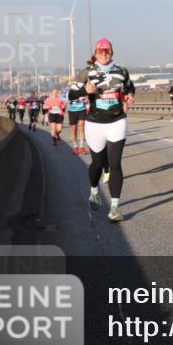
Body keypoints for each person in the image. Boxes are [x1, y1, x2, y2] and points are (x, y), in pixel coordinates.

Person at [70, 38, 135, 223]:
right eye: (101, 51)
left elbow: (131, 87)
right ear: (96, 53)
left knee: (115, 164)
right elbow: (70, 94)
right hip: (94, 123)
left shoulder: (121, 71)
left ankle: (115, 207)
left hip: (117, 121)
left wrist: (129, 97)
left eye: (107, 51)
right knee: (97, 164)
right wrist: (85, 91)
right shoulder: (87, 73)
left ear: (111, 52)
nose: (104, 54)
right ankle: (94, 190)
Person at [66, 77, 89, 154]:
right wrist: (73, 100)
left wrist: (86, 101)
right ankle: (75, 147)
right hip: (72, 111)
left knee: (81, 127)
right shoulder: (70, 91)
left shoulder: (83, 90)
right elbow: (65, 99)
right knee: (74, 129)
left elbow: (87, 99)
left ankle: (82, 146)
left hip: (82, 110)